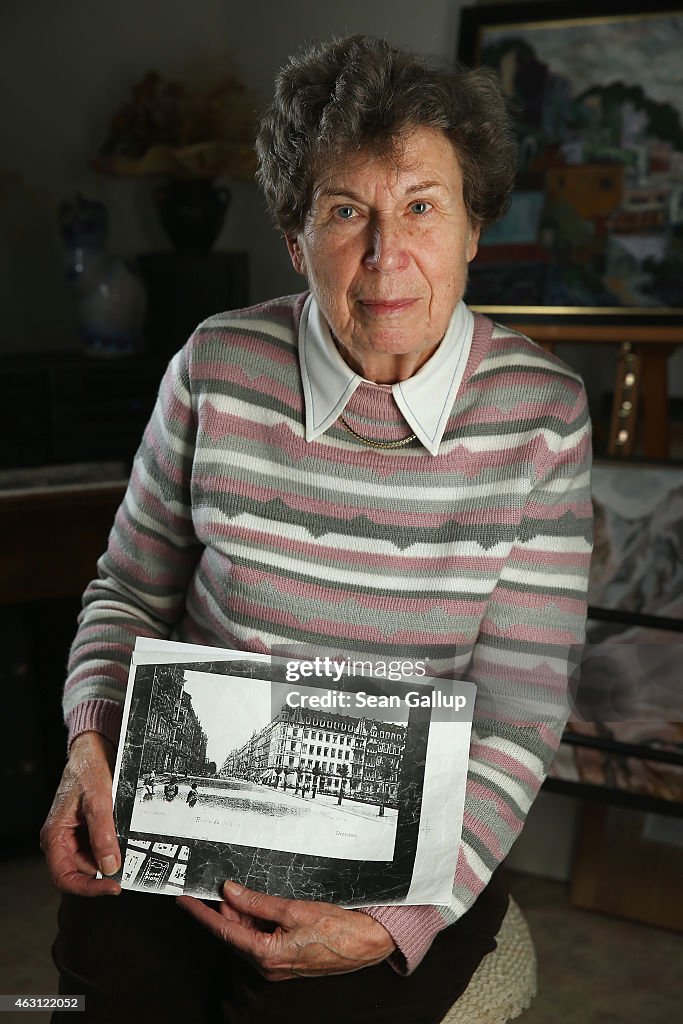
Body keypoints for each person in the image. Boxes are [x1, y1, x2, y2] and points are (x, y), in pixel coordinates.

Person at [41, 35, 592, 1024]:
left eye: (421, 207)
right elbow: (127, 588)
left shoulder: (539, 416)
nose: (386, 258)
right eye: (346, 212)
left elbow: (518, 711)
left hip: (408, 833)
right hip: (196, 792)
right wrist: (89, 744)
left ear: (473, 229)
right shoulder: (215, 365)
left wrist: (395, 919)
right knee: (101, 972)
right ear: (295, 237)